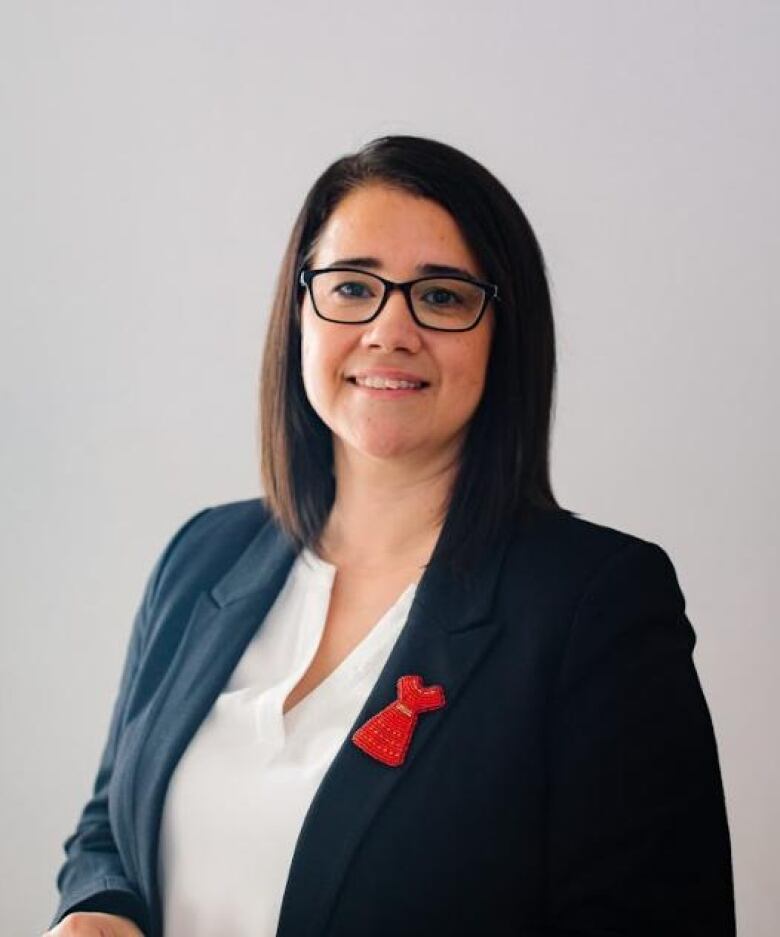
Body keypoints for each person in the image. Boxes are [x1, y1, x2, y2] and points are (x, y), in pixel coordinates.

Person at [45, 135, 735, 937]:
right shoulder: (201, 553)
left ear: (503, 334)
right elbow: (109, 826)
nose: (389, 329)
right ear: (301, 310)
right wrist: (96, 909)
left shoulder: (597, 605)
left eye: (441, 297)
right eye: (352, 286)